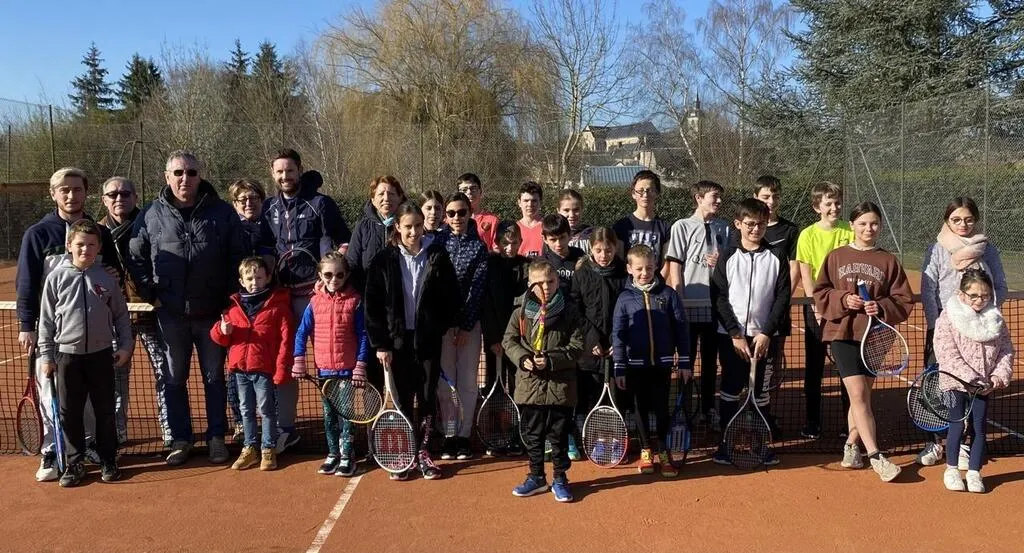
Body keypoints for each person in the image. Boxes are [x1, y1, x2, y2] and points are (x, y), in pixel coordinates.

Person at [129, 150, 246, 466]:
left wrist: (228, 299)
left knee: (214, 378)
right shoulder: (151, 213)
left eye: (191, 172)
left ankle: (216, 437)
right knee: (174, 378)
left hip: (212, 313)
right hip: (171, 314)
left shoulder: (222, 212)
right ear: (167, 176)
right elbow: (136, 255)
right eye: (179, 173)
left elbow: (238, 255)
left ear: (200, 175)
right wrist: (150, 294)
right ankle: (181, 439)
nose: (185, 179)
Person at [18, 167, 121, 482]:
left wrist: (114, 275)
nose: (71, 195)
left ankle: (87, 447)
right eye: (64, 190)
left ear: (85, 192)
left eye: (77, 189)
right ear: (53, 194)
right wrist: (27, 325)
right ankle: (53, 449)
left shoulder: (99, 232)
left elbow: (114, 272)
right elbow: (27, 283)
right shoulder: (37, 234)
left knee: (89, 401)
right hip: (54, 335)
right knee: (53, 398)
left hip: (96, 340)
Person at [813, 201, 913, 483]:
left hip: (875, 336)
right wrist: (844, 299)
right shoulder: (836, 257)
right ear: (852, 225)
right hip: (842, 334)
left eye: (874, 224)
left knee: (863, 397)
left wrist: (880, 306)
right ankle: (876, 455)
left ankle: (850, 447)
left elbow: (903, 299)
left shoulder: (888, 261)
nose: (869, 229)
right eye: (863, 223)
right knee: (857, 394)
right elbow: (821, 292)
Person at [364, 203, 462, 481]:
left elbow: (451, 296)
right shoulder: (383, 260)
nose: (413, 232)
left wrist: (438, 326)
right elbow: (372, 306)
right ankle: (407, 452)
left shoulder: (437, 255)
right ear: (397, 227)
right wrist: (381, 344)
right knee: (404, 398)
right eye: (407, 226)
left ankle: (423, 452)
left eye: (418, 226)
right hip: (398, 343)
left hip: (428, 340)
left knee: (427, 397)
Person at [263, 149, 351, 454]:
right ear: (273, 174)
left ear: (299, 170)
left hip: (316, 297)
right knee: (286, 363)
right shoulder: (269, 207)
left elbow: (341, 240)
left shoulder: (320, 204)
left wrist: (329, 272)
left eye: (290, 170)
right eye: (279, 172)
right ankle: (287, 430)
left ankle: (341, 430)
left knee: (332, 361)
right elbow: (265, 246)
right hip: (282, 298)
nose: (284, 176)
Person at [38, 219, 133, 487]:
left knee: (105, 411)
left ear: (99, 247)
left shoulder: (107, 278)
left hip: (102, 355)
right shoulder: (56, 278)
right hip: (67, 357)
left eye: (91, 245)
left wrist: (125, 346)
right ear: (69, 245)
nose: (85, 249)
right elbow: (46, 321)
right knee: (70, 413)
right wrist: (47, 356)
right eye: (80, 244)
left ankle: (108, 459)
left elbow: (121, 316)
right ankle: (74, 462)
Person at [917, 196, 1008, 467]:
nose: (962, 224)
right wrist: (935, 325)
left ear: (975, 220)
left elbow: (1000, 286)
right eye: (956, 219)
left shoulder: (988, 250)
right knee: (938, 386)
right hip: (944, 330)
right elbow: (928, 289)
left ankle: (966, 444)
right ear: (947, 221)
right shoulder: (937, 249)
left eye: (968, 219)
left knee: (974, 387)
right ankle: (935, 441)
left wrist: (986, 316)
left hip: (978, 333)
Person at [710, 199, 791, 466]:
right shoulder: (727, 256)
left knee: (760, 394)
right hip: (731, 339)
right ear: (738, 224)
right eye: (750, 224)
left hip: (764, 338)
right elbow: (719, 297)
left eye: (761, 224)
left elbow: (782, 297)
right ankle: (726, 443)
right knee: (730, 390)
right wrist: (735, 334)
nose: (756, 229)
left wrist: (766, 333)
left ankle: (760, 444)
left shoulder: (777, 256)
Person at [503, 259, 585, 502]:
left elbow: (578, 346)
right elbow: (509, 341)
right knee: (533, 435)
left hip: (561, 388)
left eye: (550, 281)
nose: (546, 287)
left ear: (558, 281)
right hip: (530, 386)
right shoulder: (520, 312)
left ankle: (560, 479)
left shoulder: (570, 312)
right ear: (530, 283)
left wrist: (551, 360)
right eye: (539, 283)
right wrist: (523, 358)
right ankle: (536, 477)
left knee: (559, 437)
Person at [612, 245, 691, 477]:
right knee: (640, 409)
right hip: (635, 366)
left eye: (648, 267)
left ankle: (664, 451)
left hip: (662, 365)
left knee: (662, 409)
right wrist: (619, 366)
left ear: (656, 265)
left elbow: (681, 329)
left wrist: (684, 361)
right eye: (639, 269)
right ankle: (646, 450)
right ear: (629, 269)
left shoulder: (668, 295)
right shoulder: (624, 299)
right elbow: (618, 334)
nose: (644, 273)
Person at [98, 176, 165, 448]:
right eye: (113, 194)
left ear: (136, 197)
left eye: (125, 193)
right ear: (104, 200)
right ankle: (117, 433)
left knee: (165, 372)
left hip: (150, 312)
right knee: (116, 377)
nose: (119, 198)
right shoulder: (95, 232)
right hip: (113, 316)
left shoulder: (152, 224)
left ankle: (170, 431)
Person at [933, 269, 1013, 493]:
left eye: (985, 295)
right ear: (962, 294)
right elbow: (946, 353)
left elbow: (1006, 350)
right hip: (954, 382)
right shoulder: (947, 318)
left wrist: (996, 378)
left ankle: (974, 472)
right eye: (974, 295)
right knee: (957, 424)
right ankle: (951, 470)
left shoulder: (995, 319)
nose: (980, 300)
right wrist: (970, 378)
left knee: (979, 427)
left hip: (983, 386)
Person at [210, 257, 293, 472]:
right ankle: (250, 448)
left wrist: (281, 369)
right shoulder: (233, 308)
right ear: (241, 281)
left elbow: (286, 341)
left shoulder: (278, 307)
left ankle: (268, 448)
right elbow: (220, 337)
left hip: (264, 369)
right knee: (246, 410)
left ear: (268, 278)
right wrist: (222, 330)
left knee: (266, 409)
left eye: (259, 277)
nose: (254, 282)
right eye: (249, 278)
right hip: (240, 370)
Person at [293, 253, 370, 477]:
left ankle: (347, 456)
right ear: (320, 275)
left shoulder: (355, 302)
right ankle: (333, 454)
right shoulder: (314, 302)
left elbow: (363, 335)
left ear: (347, 275)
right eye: (328, 275)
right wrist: (299, 359)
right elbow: (301, 332)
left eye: (339, 275)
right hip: (324, 371)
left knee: (346, 415)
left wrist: (360, 364)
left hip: (347, 370)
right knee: (329, 415)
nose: (333, 279)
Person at [665, 179, 730, 427]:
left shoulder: (724, 228)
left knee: (711, 362)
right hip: (690, 306)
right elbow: (675, 264)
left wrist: (721, 262)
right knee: (686, 360)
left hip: (716, 307)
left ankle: (708, 410)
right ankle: (684, 410)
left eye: (720, 196)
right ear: (699, 198)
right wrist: (679, 299)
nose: (719, 201)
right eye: (714, 196)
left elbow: (730, 264)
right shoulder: (682, 226)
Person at [795, 182, 854, 440]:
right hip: (817, 307)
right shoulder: (807, 235)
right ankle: (812, 421)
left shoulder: (849, 230)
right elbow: (806, 273)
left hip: (845, 305)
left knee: (847, 366)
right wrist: (816, 306)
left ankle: (850, 423)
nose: (834, 207)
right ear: (816, 207)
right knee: (814, 365)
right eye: (828, 203)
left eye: (837, 202)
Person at [435, 192, 488, 460]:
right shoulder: (436, 243)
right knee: (446, 384)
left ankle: (464, 436)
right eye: (452, 213)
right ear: (445, 216)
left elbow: (476, 289)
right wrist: (446, 322)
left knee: (467, 382)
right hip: (443, 327)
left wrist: (465, 325)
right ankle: (449, 435)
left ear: (469, 213)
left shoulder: (479, 247)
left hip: (470, 327)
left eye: (462, 212)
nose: (457, 218)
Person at [569, 227, 627, 458]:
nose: (604, 255)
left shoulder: (625, 273)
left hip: (616, 346)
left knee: (616, 397)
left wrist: (616, 339)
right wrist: (591, 338)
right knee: (590, 395)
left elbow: (628, 309)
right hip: (589, 350)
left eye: (609, 250)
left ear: (616, 248)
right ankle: (597, 439)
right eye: (599, 250)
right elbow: (575, 309)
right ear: (591, 249)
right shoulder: (581, 274)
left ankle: (616, 439)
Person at [227, 178, 275, 443]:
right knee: (237, 366)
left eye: (254, 198)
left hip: (269, 306)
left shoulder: (271, 226)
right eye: (242, 199)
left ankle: (272, 423)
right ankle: (240, 422)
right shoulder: (229, 228)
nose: (248, 203)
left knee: (268, 364)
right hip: (239, 308)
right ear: (234, 203)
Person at [480, 223, 529, 457]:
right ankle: (495, 435)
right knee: (494, 387)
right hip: (496, 342)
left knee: (518, 385)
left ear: (520, 242)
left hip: (518, 342)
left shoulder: (526, 267)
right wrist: (493, 339)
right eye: (505, 243)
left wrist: (517, 339)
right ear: (497, 243)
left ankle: (518, 435)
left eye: (514, 242)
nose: (510, 247)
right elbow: (486, 305)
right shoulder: (490, 265)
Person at [613, 170, 671, 272]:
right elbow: (619, 260)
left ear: (657, 193)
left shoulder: (665, 228)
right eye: (640, 190)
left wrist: (657, 281)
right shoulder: (621, 226)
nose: (645, 195)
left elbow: (666, 263)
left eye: (650, 190)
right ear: (633, 194)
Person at [542, 214, 586, 297]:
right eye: (553, 240)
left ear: (570, 235)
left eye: (562, 237)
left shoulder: (580, 256)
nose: (558, 244)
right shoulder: (543, 262)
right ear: (545, 239)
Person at [457, 173, 499, 252]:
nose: (469, 192)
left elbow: (496, 250)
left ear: (480, 192)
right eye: (464, 190)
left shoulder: (492, 220)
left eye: (473, 188)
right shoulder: (451, 219)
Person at [516, 182, 545, 258]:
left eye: (534, 201)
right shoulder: (514, 228)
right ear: (519, 202)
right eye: (526, 201)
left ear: (540, 202)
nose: (530, 204)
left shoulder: (548, 227)